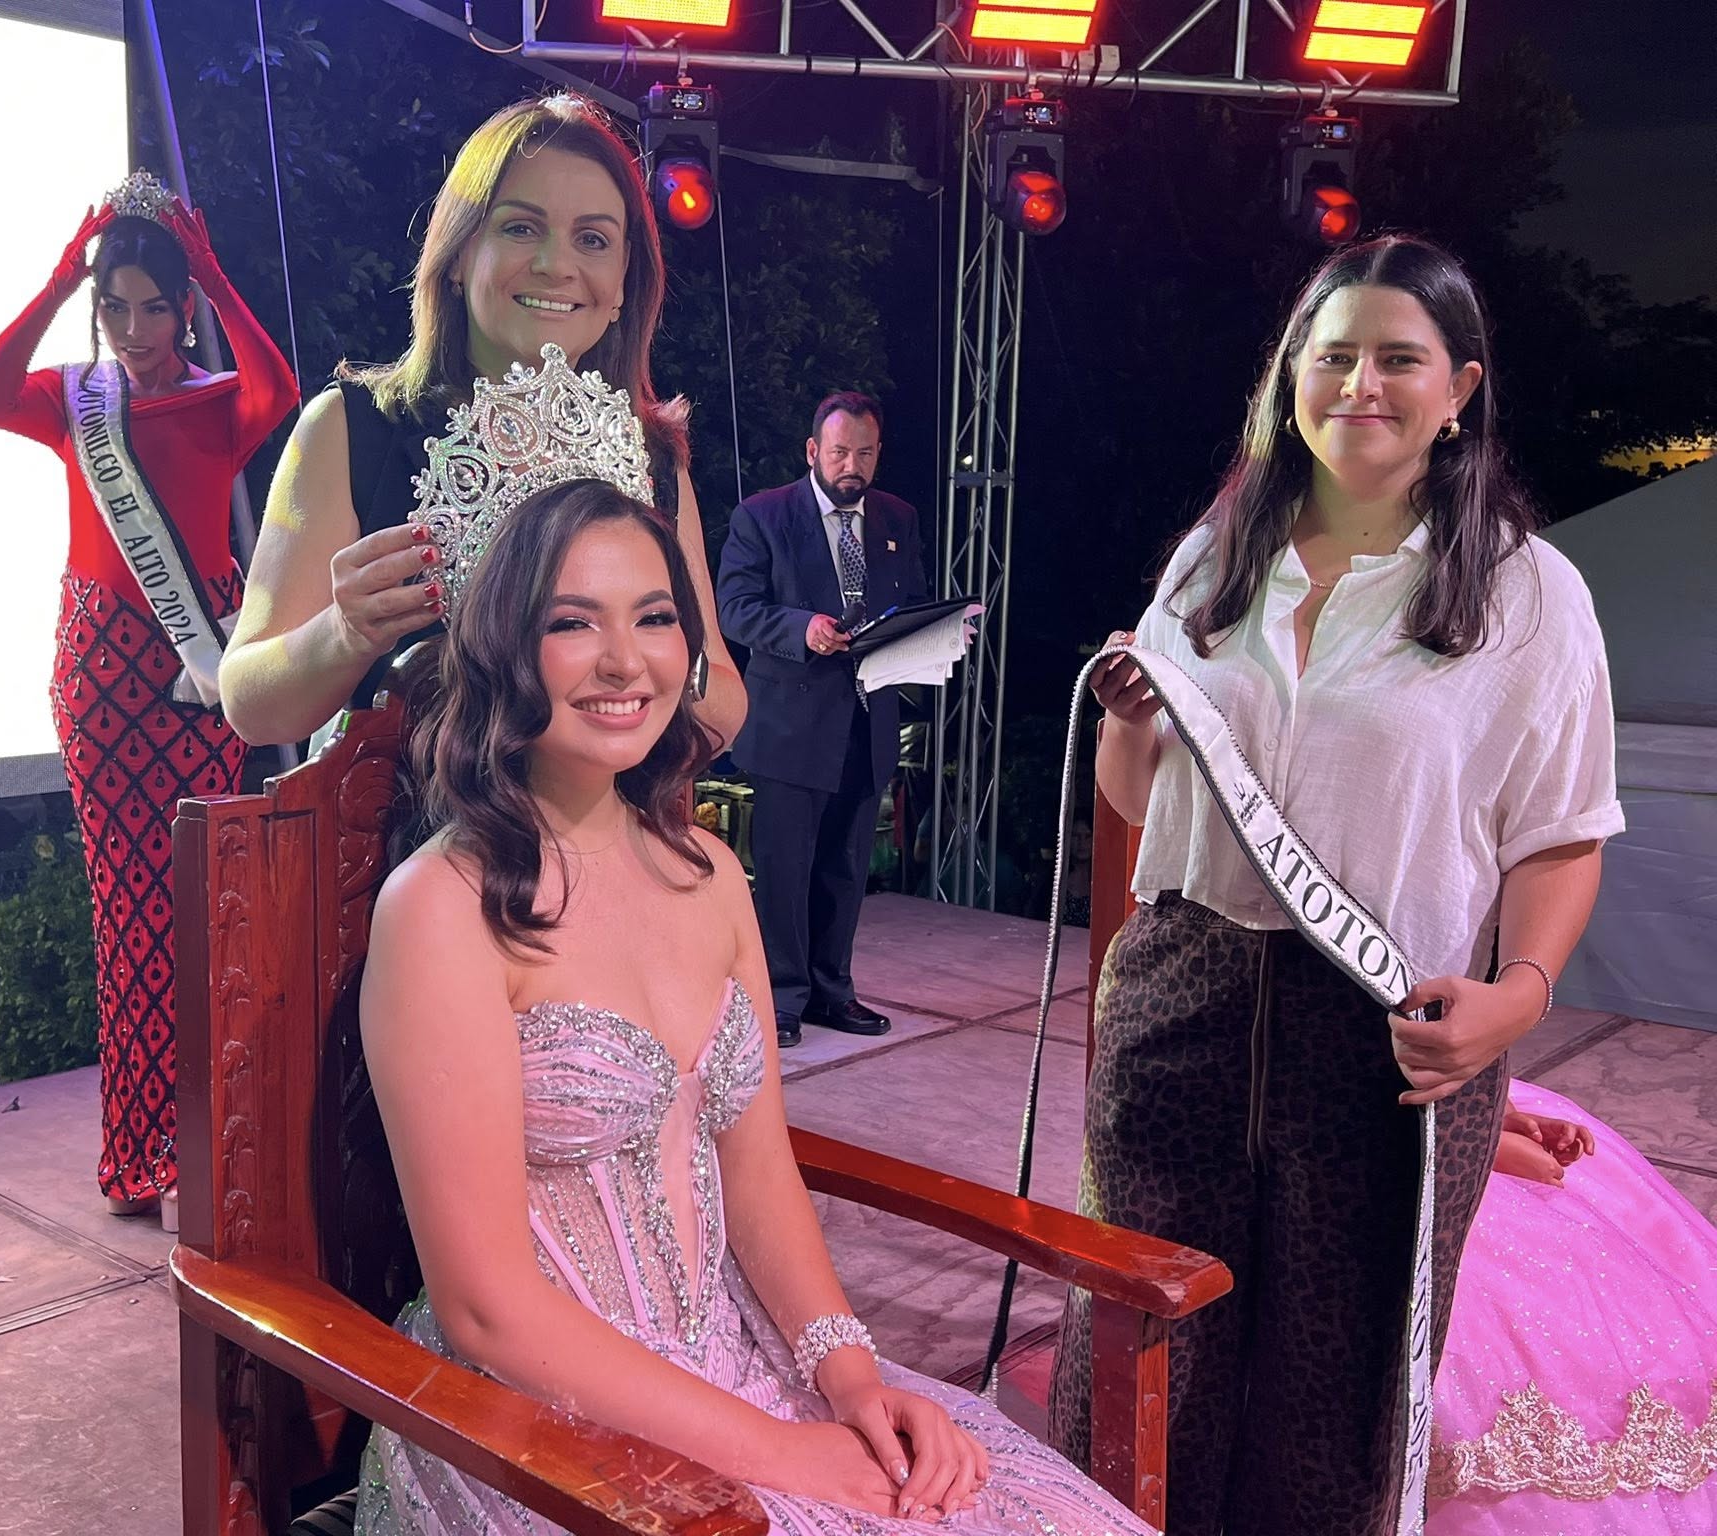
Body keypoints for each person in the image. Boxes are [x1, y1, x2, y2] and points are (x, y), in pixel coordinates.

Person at [354, 467, 1150, 1534]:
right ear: (503, 646)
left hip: (738, 1355)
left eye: (654, 617)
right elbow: (485, 1311)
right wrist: (783, 1456)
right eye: (571, 622)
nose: (626, 660)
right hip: (530, 1425)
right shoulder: (442, 907)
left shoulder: (709, 873)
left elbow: (758, 1168)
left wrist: (852, 1379)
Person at [1048, 235, 1625, 1535]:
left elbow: (1560, 836)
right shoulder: (1213, 561)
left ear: (1459, 389)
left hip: (1383, 1040)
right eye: (1334, 355)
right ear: (1290, 377)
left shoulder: (1529, 596)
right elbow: (1137, 798)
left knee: (1334, 1405)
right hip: (1181, 1002)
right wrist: (1132, 720)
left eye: (1398, 359)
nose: (1361, 384)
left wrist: (1515, 1000)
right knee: (1139, 1356)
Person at [0, 180, 299, 1222]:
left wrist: (216, 272)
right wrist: (60, 278)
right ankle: (133, 1158)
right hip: (103, 677)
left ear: (183, 309)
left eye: (156, 307)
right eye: (116, 307)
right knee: (126, 915)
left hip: (196, 678)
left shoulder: (215, 403)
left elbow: (278, 388)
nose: (136, 328)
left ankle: (205, 1139)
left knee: (202, 902)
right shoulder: (76, 402)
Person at [217, 92, 746, 755]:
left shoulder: (649, 458)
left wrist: (658, 664)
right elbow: (250, 706)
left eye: (593, 239)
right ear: (460, 256)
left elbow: (722, 705)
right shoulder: (355, 430)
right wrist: (343, 634)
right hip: (411, 817)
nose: (556, 264)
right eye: (521, 228)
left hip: (601, 817)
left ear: (621, 284)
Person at [715, 393, 928, 1047]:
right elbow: (735, 608)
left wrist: (932, 632)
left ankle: (832, 992)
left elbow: (912, 603)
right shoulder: (764, 515)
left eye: (864, 453)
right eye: (839, 452)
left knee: (846, 866)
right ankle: (780, 997)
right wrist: (802, 628)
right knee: (785, 871)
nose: (851, 466)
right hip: (789, 725)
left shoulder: (897, 517)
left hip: (867, 723)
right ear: (813, 451)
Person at [1428, 1080, 1717, 1534]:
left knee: (1640, 1318)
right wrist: (1479, 1147)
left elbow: (1473, 1058)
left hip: (1460, 1117)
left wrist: (1505, 1115)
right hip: (1395, 1159)